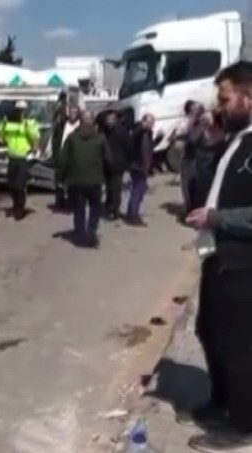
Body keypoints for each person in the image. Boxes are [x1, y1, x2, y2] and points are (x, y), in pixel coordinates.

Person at [184, 61, 252, 453]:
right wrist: (210, 147)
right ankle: (223, 401)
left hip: (244, 263)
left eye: (225, 98)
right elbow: (204, 191)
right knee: (209, 330)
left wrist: (218, 218)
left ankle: (243, 424)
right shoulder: (236, 140)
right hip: (218, 256)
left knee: (238, 342)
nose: (219, 106)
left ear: (248, 97)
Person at [59, 110, 114, 247]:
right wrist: (109, 175)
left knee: (79, 209)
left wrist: (61, 178)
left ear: (80, 121)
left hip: (75, 181)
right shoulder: (100, 138)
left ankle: (80, 235)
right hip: (95, 181)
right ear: (93, 122)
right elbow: (109, 159)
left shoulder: (72, 138)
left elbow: (63, 160)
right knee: (95, 208)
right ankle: (91, 232)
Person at [0, 100, 40, 221]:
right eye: (18, 110)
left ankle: (19, 210)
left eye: (23, 110)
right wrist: (3, 140)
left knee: (20, 186)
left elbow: (35, 138)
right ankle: (16, 205)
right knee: (11, 184)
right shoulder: (7, 122)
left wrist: (34, 151)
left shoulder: (29, 122)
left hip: (23, 158)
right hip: (12, 157)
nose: (21, 112)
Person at [125, 114, 160, 226]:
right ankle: (133, 216)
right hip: (138, 165)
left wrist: (158, 139)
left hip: (139, 165)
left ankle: (131, 212)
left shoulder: (142, 132)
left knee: (137, 190)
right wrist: (146, 167)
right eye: (150, 122)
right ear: (144, 121)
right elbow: (143, 147)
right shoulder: (141, 132)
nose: (152, 125)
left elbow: (149, 147)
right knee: (138, 191)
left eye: (153, 123)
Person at [103, 110, 132, 220]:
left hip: (117, 165)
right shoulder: (106, 131)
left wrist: (126, 162)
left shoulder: (121, 131)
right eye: (107, 119)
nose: (108, 121)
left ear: (114, 119)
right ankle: (110, 207)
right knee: (109, 188)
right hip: (107, 164)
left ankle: (114, 210)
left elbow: (128, 147)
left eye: (110, 119)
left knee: (115, 189)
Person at [179, 102, 206, 215]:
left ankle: (191, 210)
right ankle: (189, 208)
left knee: (190, 187)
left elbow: (193, 140)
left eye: (193, 112)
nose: (191, 114)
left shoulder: (200, 126)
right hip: (188, 159)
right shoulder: (194, 125)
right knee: (186, 187)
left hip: (193, 160)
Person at [53, 105, 81, 209]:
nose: (72, 114)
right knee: (59, 181)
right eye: (71, 112)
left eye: (75, 112)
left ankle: (72, 202)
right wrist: (55, 153)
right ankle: (59, 202)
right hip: (61, 156)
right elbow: (55, 140)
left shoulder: (80, 126)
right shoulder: (62, 125)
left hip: (73, 157)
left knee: (72, 182)